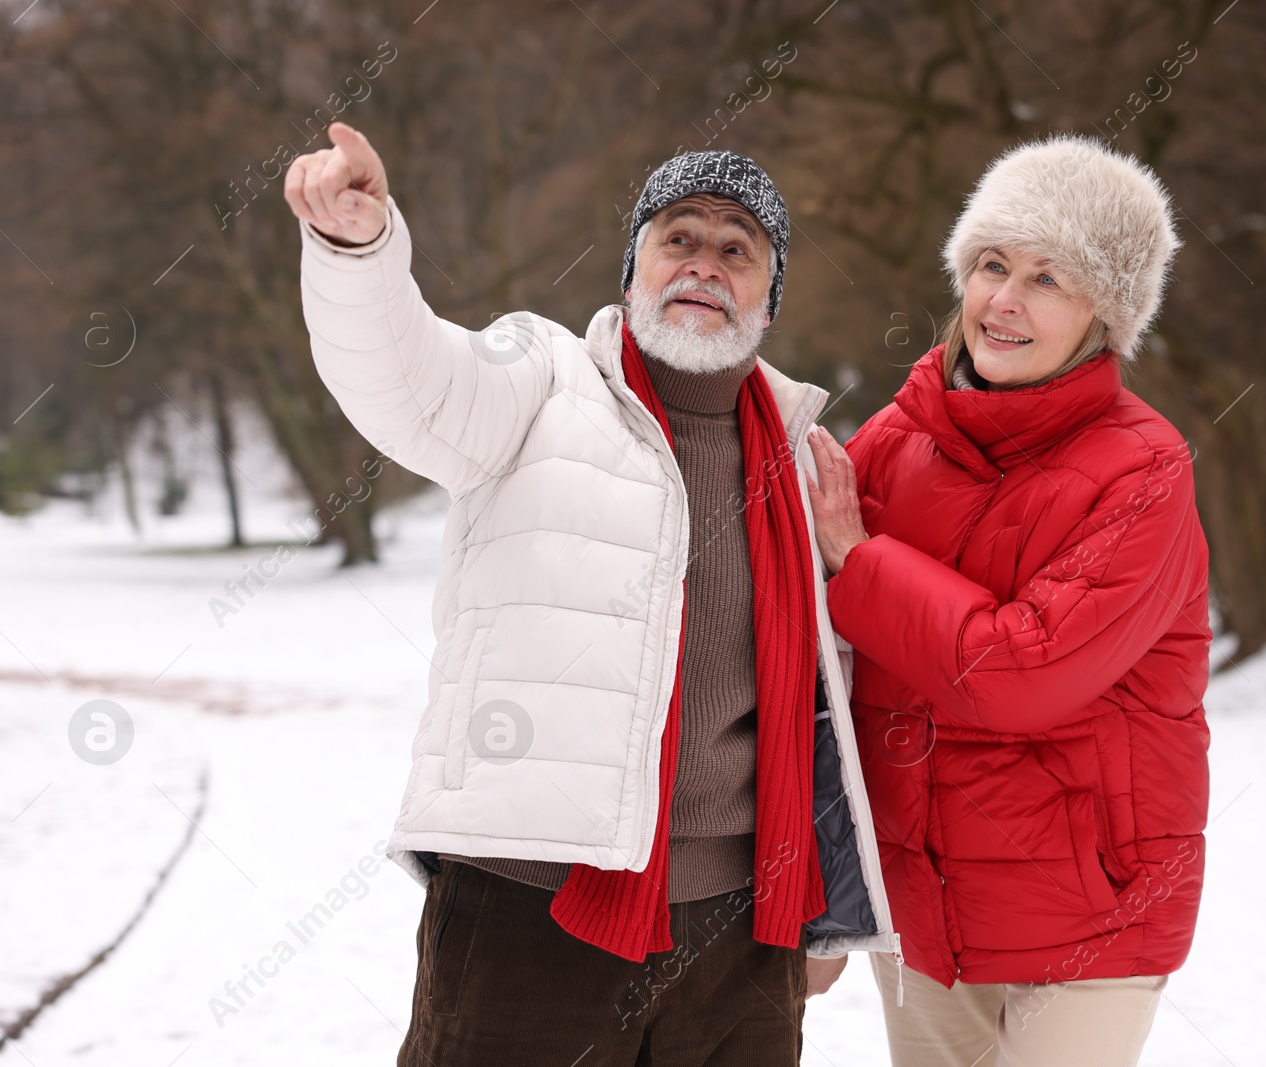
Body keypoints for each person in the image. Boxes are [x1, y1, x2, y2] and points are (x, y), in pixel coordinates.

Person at [284, 123, 897, 1066]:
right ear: (631, 273)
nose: (704, 263)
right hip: (532, 904)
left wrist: (823, 910)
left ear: (768, 301)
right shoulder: (539, 381)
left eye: (737, 249)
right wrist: (359, 251)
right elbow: (409, 380)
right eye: (678, 237)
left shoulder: (803, 461)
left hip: (742, 931)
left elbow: (827, 709)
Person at [803, 133, 1212, 1067]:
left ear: (1104, 316)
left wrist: (859, 562)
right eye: (993, 264)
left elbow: (1021, 670)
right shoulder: (889, 444)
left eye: (1049, 279)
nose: (1005, 301)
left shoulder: (1145, 470)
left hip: (1092, 914)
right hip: (926, 908)